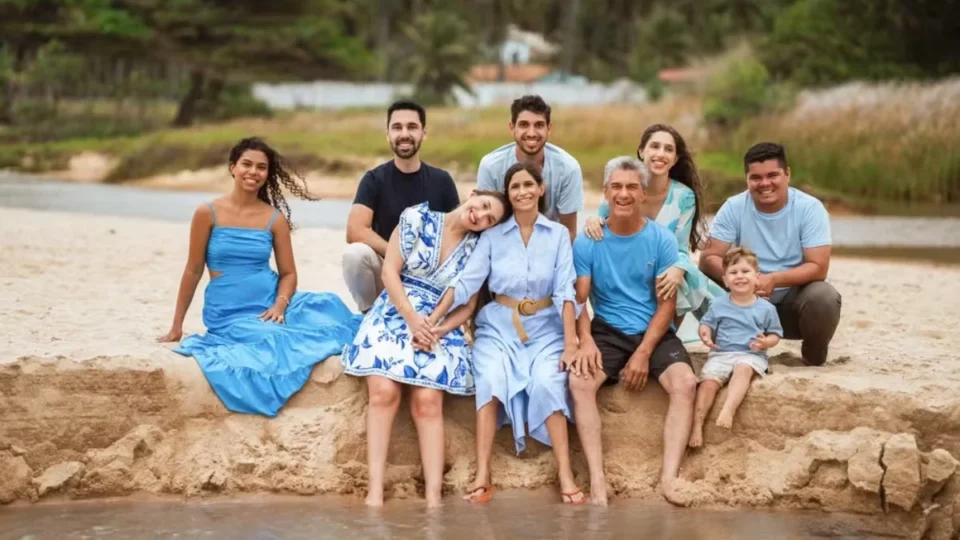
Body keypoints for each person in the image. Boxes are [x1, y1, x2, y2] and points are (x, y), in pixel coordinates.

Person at [158, 137, 361, 417]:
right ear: (232, 167)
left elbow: (289, 273)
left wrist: (279, 305)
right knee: (276, 339)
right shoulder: (207, 213)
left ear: (267, 175)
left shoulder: (273, 218)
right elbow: (193, 270)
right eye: (247, 164)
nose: (253, 172)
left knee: (327, 306)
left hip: (272, 301)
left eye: (261, 167)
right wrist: (176, 326)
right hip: (230, 311)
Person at [340, 191, 511, 508]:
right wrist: (410, 317)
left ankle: (433, 498)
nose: (481, 217)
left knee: (428, 399)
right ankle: (375, 491)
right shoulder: (416, 218)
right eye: (483, 206)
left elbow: (468, 307)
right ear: (472, 195)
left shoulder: (477, 248)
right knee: (383, 393)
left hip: (439, 324)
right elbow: (390, 271)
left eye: (490, 219)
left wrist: (438, 329)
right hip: (395, 310)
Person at [442, 162, 585, 505]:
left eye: (528, 185)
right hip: (498, 327)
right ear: (508, 193)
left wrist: (570, 343)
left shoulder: (558, 236)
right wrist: (434, 318)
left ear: (541, 188)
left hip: (547, 327)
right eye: (515, 187)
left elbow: (567, 290)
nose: (522, 192)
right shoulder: (491, 236)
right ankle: (482, 475)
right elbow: (467, 284)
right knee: (490, 379)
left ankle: (564, 474)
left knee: (549, 382)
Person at [569, 156, 697, 506]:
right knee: (579, 382)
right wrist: (585, 341)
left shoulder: (661, 240)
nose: (623, 194)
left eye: (631, 187)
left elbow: (667, 305)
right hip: (607, 330)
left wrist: (643, 352)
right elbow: (579, 300)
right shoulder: (588, 241)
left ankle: (669, 478)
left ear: (643, 194)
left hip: (653, 330)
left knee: (685, 383)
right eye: (616, 187)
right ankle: (597, 480)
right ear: (606, 192)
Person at [698, 142, 841, 367]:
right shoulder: (734, 207)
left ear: (787, 174)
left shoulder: (810, 208)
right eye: (756, 178)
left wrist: (773, 279)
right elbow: (708, 259)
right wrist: (744, 280)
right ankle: (733, 343)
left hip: (792, 302)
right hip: (743, 299)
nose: (765, 183)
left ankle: (813, 352)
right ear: (746, 179)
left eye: (773, 175)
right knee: (693, 279)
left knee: (824, 297)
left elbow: (818, 266)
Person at [584, 124, 724, 327]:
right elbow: (601, 224)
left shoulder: (683, 197)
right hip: (623, 265)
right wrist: (592, 221)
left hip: (661, 271)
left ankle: (668, 333)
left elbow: (680, 250)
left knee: (681, 274)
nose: (660, 154)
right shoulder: (623, 186)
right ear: (641, 151)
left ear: (675, 159)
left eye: (668, 149)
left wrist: (678, 269)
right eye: (655, 146)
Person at [343, 100, 461, 313]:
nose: (404, 134)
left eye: (412, 127)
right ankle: (369, 314)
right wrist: (398, 255)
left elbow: (458, 234)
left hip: (430, 277)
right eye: (397, 127)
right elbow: (355, 230)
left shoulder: (442, 181)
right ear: (387, 134)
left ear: (424, 133)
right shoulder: (373, 179)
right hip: (387, 272)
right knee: (355, 255)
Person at [688, 247, 783, 448]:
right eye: (733, 272)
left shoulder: (766, 308)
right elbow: (707, 323)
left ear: (757, 278)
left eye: (745, 271)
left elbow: (775, 334)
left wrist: (766, 343)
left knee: (743, 369)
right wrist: (704, 332)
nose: (739, 276)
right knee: (707, 383)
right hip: (721, 354)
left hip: (751, 354)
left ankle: (729, 409)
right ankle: (697, 424)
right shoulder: (718, 304)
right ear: (725, 280)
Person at [476, 94, 584, 241]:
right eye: (524, 125)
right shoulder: (491, 166)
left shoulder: (568, 168)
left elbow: (569, 232)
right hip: (503, 246)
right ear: (512, 128)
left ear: (549, 128)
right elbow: (484, 227)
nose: (531, 133)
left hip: (551, 247)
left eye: (539, 125)